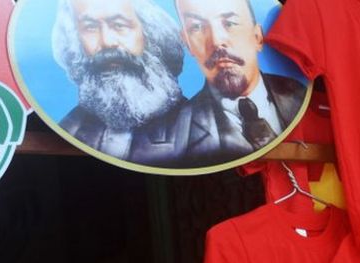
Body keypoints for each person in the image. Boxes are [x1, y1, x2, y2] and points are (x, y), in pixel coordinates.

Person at [130, 0, 306, 168]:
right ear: (187, 43)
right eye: (197, 27)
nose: (216, 41)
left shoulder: (301, 95)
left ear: (257, 37)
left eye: (229, 23)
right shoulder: (158, 142)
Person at [52, 0, 187, 160]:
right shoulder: (71, 128)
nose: (107, 41)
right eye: (90, 27)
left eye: (119, 25)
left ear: (150, 33)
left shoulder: (194, 128)